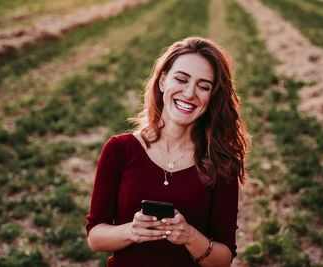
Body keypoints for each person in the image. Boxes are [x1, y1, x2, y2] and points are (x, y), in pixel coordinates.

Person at [86, 37, 248, 267]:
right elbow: (95, 238)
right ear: (162, 81)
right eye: (181, 79)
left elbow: (223, 260)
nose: (190, 93)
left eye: (203, 86)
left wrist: (190, 236)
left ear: (212, 97)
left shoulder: (221, 163)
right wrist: (132, 231)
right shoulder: (120, 150)